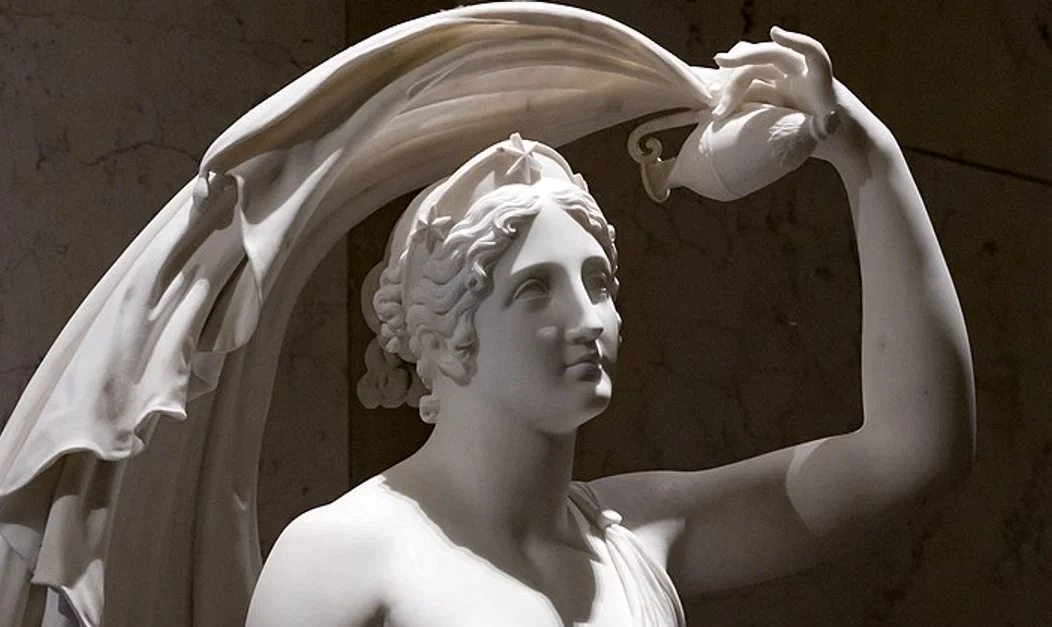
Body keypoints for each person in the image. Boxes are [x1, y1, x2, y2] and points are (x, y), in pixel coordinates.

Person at [245, 29, 975, 627]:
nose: (589, 318)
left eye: (599, 283)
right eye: (536, 289)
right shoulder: (344, 557)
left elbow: (911, 451)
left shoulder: (639, 530)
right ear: (443, 336)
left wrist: (865, 154)